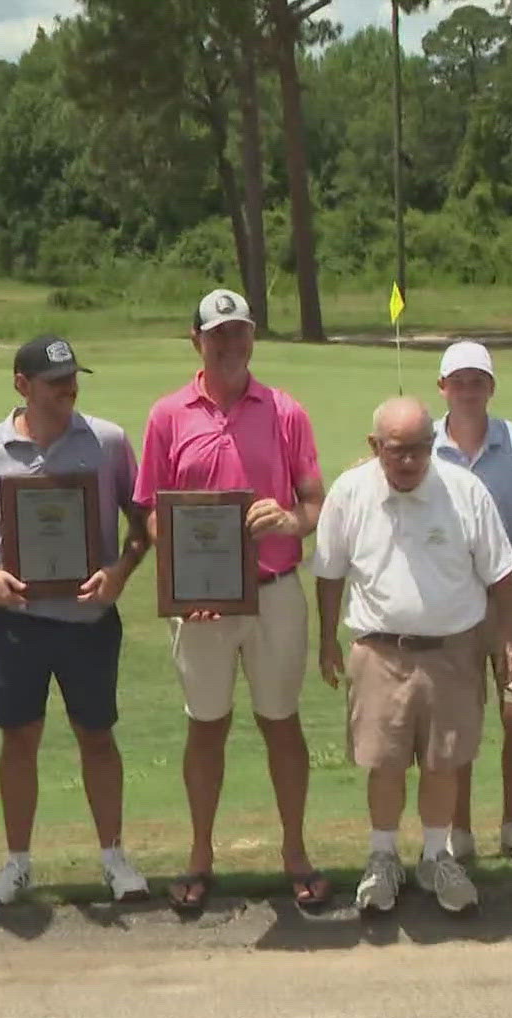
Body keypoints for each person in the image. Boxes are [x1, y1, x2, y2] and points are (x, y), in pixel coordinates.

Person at [134, 287, 330, 913]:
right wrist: (184, 580)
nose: (230, 344)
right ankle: (200, 855)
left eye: (239, 332)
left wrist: (291, 521)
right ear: (197, 341)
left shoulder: (285, 411)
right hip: (203, 606)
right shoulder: (168, 415)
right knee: (207, 727)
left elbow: (314, 503)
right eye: (217, 334)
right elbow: (153, 514)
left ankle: (295, 852)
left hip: (273, 592)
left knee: (281, 724)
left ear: (252, 339)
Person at [0, 336, 153, 905]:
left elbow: (142, 526)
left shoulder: (107, 442)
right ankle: (17, 863)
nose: (68, 390)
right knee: (19, 739)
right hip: (17, 618)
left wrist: (120, 573)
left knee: (97, 735)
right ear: (21, 383)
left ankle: (114, 857)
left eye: (72, 380)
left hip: (89, 618)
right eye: (54, 382)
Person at [315, 398, 512, 915]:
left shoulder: (464, 490)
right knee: (383, 764)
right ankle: (382, 857)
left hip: (452, 650)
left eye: (419, 450)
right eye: (397, 451)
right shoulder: (350, 491)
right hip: (379, 650)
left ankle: (436, 857)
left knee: (443, 763)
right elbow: (329, 572)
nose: (409, 461)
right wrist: (325, 640)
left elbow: (502, 575)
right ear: (374, 447)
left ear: (433, 445)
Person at [430, 342, 512, 867]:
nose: (467, 390)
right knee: (459, 718)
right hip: (452, 598)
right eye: (458, 380)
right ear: (442, 387)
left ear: (491, 387)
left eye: (477, 380)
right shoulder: (426, 446)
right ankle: (459, 829)